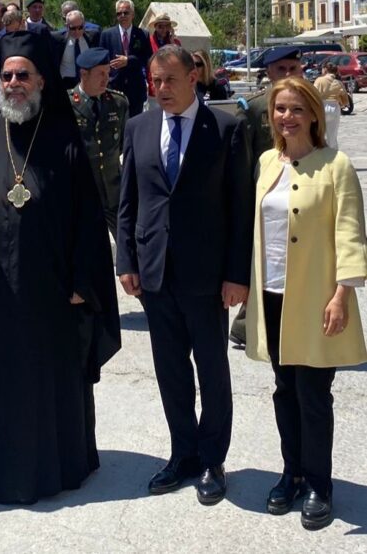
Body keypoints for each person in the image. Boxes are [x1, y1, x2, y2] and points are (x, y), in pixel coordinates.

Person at [0, 32, 120, 505]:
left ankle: (58, 467)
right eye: (6, 76)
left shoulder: (65, 139)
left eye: (23, 75)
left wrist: (83, 281)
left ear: (42, 81)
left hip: (54, 292)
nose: (13, 83)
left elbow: (89, 219)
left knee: (52, 379)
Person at [117, 46, 253, 505]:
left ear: (193, 77)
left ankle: (213, 459)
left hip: (207, 276)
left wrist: (237, 274)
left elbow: (239, 208)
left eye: (170, 80)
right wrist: (126, 261)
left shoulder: (226, 128)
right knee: (170, 370)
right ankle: (183, 453)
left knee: (212, 371)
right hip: (155, 273)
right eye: (155, 81)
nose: (161, 89)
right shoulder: (138, 127)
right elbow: (128, 202)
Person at [245, 77, 367, 529]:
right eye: (280, 109)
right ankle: (291, 473)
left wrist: (342, 293)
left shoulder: (336, 165)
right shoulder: (266, 162)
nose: (287, 117)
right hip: (273, 296)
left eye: (297, 109)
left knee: (313, 395)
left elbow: (350, 232)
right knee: (284, 390)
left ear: (315, 114)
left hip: (317, 300)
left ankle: (319, 483)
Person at [231, 46, 305, 348]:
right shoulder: (254, 107)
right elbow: (242, 159)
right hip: (264, 196)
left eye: (292, 68)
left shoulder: (310, 103)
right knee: (262, 262)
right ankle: (245, 325)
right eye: (281, 69)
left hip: (300, 192)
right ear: (269, 72)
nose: (288, 74)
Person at [68, 47, 128, 236]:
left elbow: (122, 145)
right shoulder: (66, 105)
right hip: (81, 193)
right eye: (100, 73)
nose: (106, 79)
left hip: (112, 191)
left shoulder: (118, 102)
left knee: (127, 244)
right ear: (84, 74)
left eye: (108, 73)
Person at [99, 0, 152, 117]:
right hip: (114, 88)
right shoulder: (107, 35)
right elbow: (102, 60)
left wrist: (129, 60)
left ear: (133, 14)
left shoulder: (142, 34)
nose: (122, 16)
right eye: (119, 13)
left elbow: (147, 58)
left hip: (135, 89)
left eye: (125, 13)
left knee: (134, 123)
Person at [53, 9, 99, 90]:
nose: (77, 31)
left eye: (80, 27)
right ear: (66, 26)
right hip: (65, 83)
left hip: (87, 82)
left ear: (84, 25)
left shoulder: (93, 37)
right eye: (73, 28)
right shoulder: (57, 39)